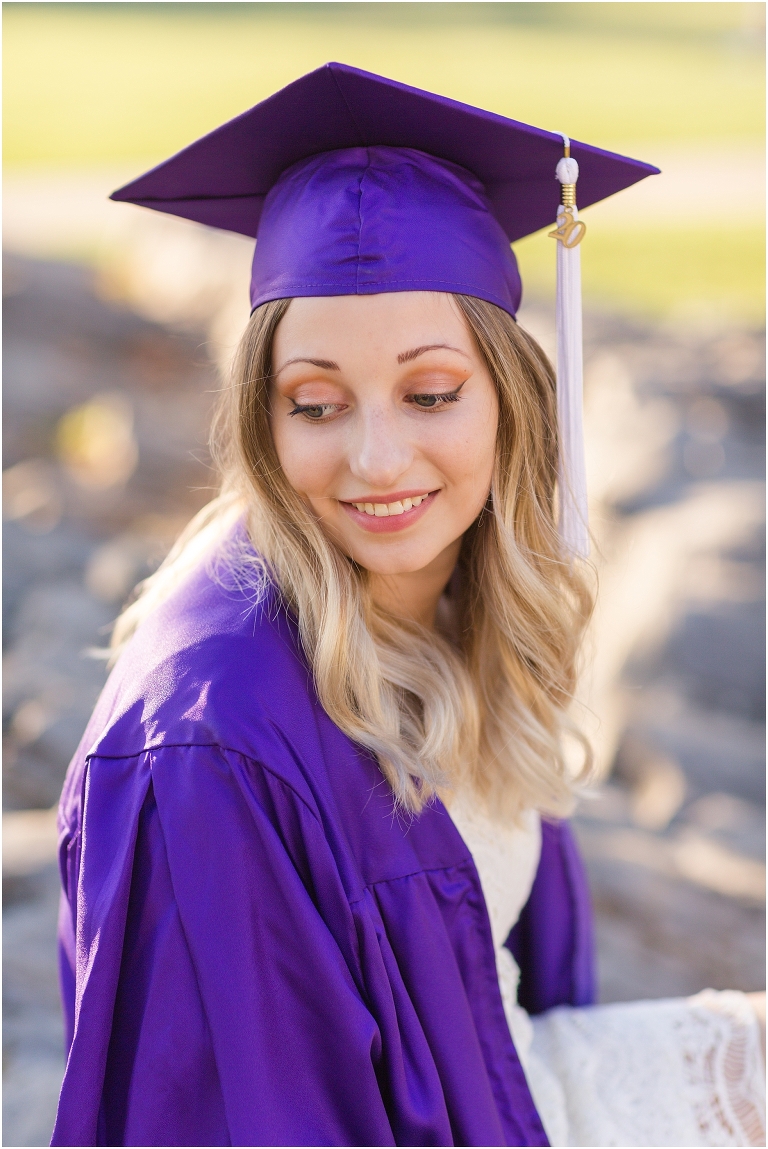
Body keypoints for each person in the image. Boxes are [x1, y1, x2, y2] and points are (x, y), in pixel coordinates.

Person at [51, 64, 765, 1147]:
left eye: (430, 393)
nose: (377, 460)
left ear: (509, 400)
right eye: (317, 404)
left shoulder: (445, 590)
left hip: (513, 1095)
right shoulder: (208, 750)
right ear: (263, 419)